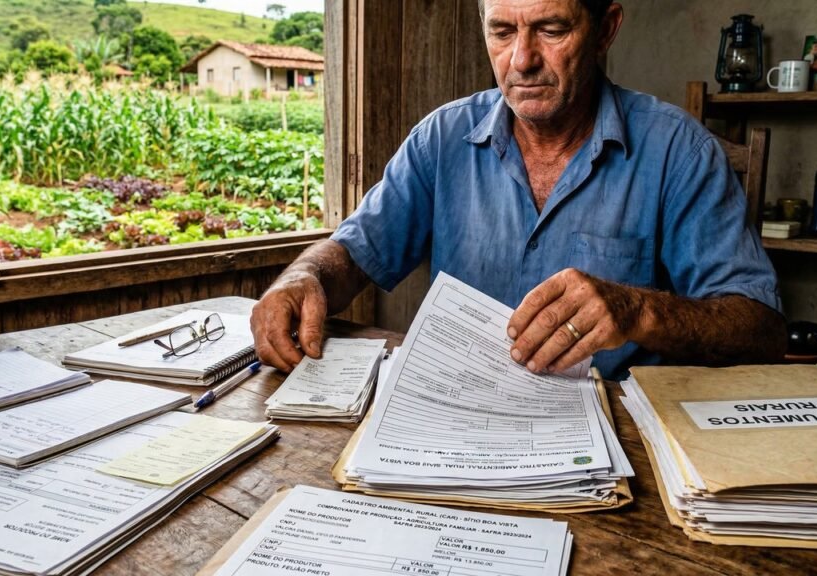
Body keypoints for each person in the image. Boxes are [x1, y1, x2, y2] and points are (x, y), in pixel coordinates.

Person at [250, 0, 786, 380]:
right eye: (502, 32)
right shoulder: (442, 138)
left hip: (616, 434)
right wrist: (304, 276)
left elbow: (761, 329)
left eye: (551, 29)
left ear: (606, 29)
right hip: (454, 415)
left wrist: (637, 311)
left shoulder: (679, 150)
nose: (522, 60)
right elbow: (355, 252)